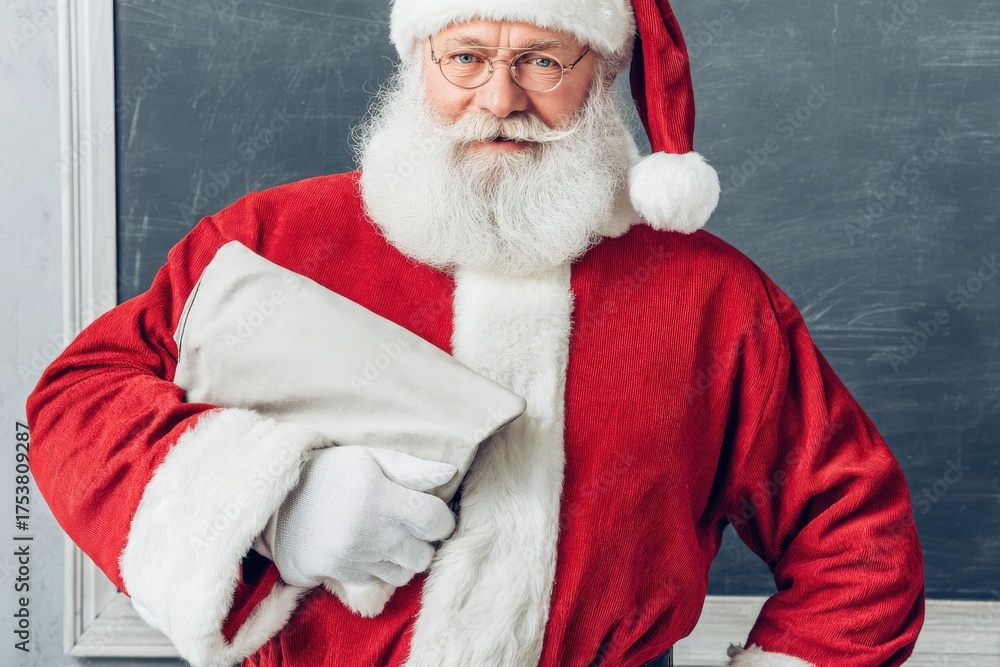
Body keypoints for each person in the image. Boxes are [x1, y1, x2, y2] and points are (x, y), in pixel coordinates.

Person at [25, 0, 925, 666]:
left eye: (542, 59)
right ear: (419, 65)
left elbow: (858, 541)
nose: (500, 96)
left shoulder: (716, 298)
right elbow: (75, 400)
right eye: (466, 58)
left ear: (603, 76)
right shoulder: (271, 240)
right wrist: (275, 499)